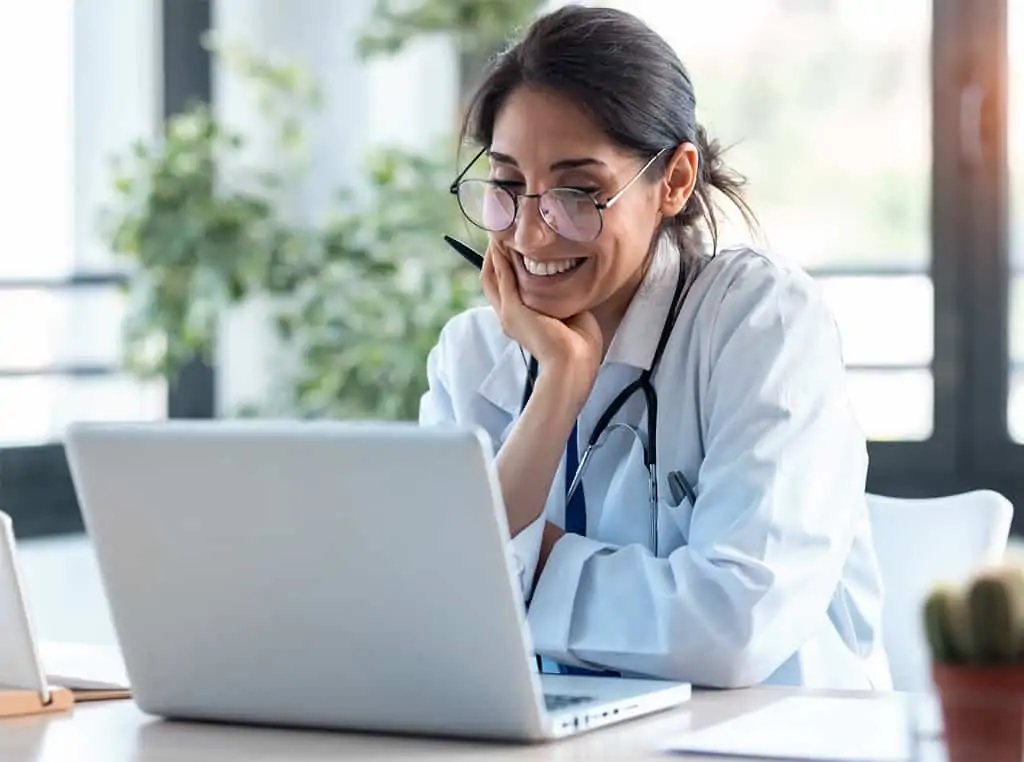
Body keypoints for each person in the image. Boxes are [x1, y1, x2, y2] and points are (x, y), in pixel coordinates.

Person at [418, 5, 892, 690]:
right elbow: (434, 613)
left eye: (579, 192)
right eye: (508, 186)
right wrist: (558, 386)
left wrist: (521, 569)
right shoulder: (473, 355)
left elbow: (733, 629)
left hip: (777, 736)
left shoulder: (759, 322)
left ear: (672, 181)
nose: (531, 234)